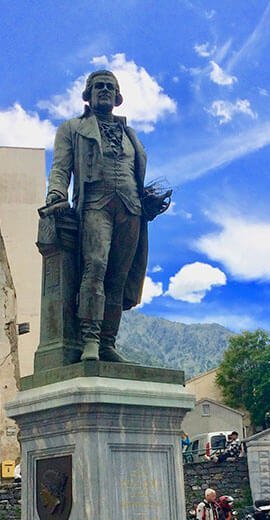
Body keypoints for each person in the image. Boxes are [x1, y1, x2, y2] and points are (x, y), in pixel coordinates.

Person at [45, 69, 168, 363]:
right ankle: (89, 338)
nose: (104, 90)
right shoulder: (72, 128)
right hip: (95, 204)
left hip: (131, 208)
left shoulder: (130, 135)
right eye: (98, 86)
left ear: (118, 96)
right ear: (88, 94)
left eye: (110, 87)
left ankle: (107, 342)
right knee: (96, 267)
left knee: (119, 277)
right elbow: (61, 168)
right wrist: (56, 193)